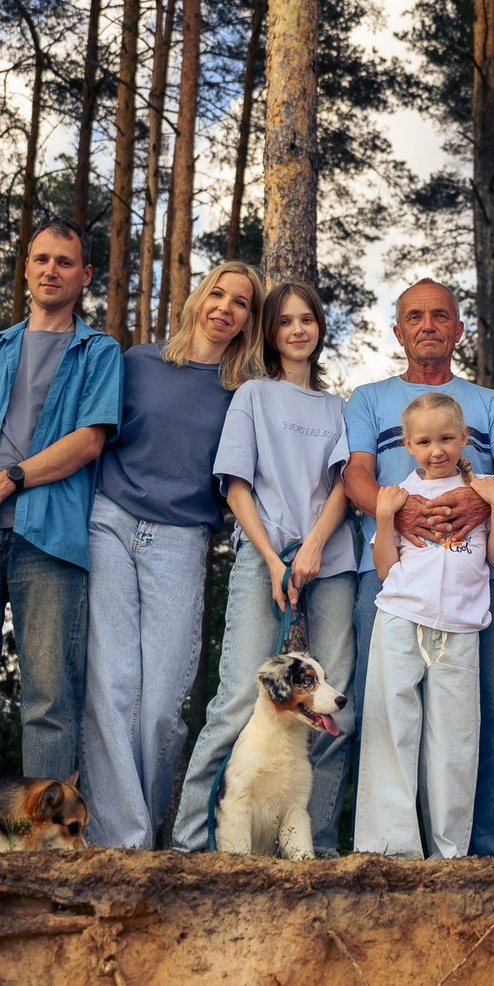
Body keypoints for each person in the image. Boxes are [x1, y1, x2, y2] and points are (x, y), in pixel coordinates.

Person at [0, 216, 124, 793]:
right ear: (26, 270)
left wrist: (4, 483)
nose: (51, 270)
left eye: (65, 262)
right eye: (41, 259)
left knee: (50, 702)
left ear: (84, 275)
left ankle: (47, 849)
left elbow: (89, 441)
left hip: (50, 542)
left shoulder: (99, 352)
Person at [343, 279, 494, 856]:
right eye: (415, 316)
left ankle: (489, 854)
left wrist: (479, 501)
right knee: (384, 713)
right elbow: (354, 474)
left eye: (440, 315)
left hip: (483, 581)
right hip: (395, 580)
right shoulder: (369, 398)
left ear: (458, 328)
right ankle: (390, 852)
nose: (428, 324)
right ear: (398, 331)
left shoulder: (488, 402)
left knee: (493, 714)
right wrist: (394, 515)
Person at [79, 261, 264, 848]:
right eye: (218, 292)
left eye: (240, 302)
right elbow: (88, 437)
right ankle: (122, 842)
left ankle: (146, 827)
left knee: (160, 703)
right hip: (109, 522)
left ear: (248, 321)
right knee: (110, 687)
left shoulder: (244, 395)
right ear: (198, 297)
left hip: (182, 539)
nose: (225, 307)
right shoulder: (136, 362)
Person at [172, 282, 357, 855]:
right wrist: (276, 558)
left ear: (319, 328)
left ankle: (314, 848)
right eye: (286, 322)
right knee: (235, 698)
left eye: (308, 320)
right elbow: (236, 486)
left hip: (332, 558)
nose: (298, 330)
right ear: (271, 333)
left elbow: (342, 486)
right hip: (262, 555)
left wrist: (313, 546)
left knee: (332, 701)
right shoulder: (252, 395)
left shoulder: (337, 408)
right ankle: (190, 845)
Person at [355, 393, 494, 858]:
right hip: (401, 619)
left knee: (454, 742)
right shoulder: (397, 496)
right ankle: (390, 852)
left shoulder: (483, 492)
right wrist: (385, 518)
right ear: (407, 444)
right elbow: (385, 568)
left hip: (461, 628)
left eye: (447, 438)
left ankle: (450, 856)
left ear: (465, 438)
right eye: (424, 441)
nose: (437, 450)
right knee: (392, 730)